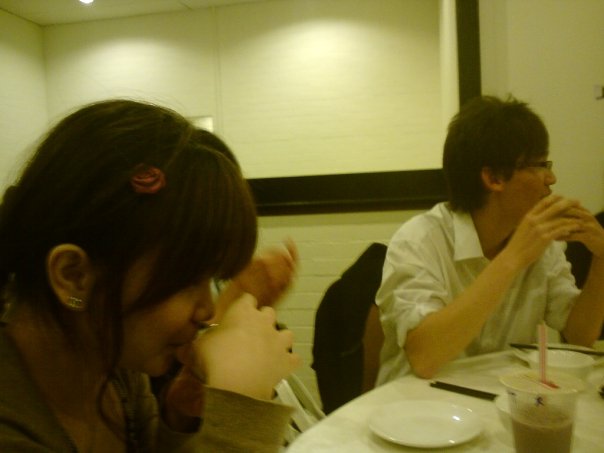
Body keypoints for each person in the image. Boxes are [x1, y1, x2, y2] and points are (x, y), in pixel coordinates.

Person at [0, 99, 301, 452]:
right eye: (187, 279)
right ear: (73, 275)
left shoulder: (112, 365)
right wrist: (242, 414)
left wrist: (179, 415)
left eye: (210, 279)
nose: (207, 310)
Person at [376, 95, 604, 383]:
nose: (551, 178)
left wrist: (602, 259)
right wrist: (512, 258)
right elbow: (425, 358)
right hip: (417, 403)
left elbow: (579, 337)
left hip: (500, 396)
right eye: (540, 165)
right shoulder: (419, 240)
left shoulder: (543, 246)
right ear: (494, 177)